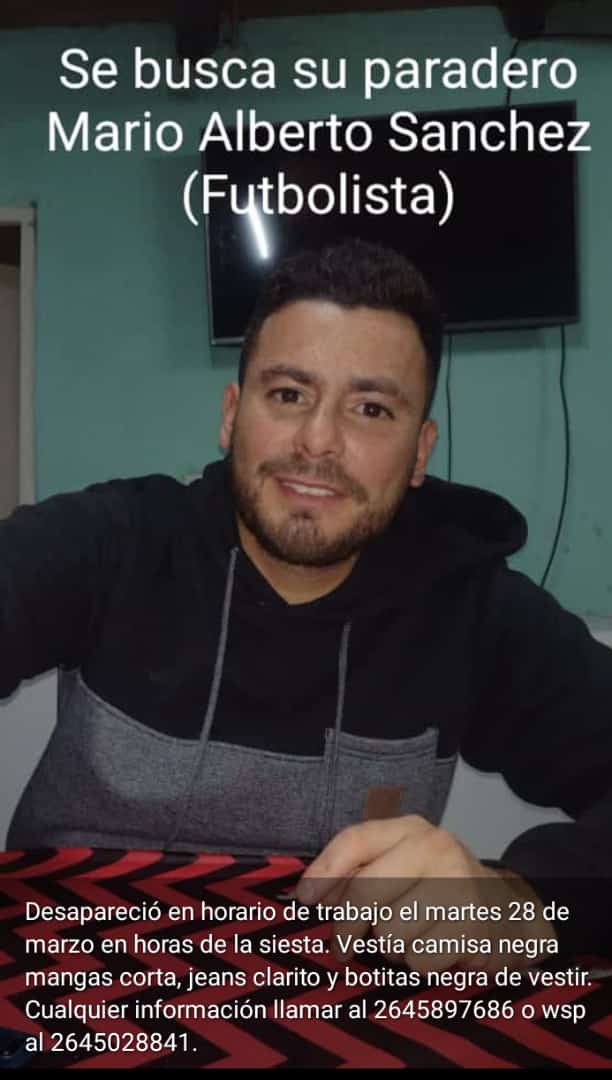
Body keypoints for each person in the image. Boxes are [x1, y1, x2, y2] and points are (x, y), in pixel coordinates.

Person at [1, 238, 611, 971]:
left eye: (371, 408)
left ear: (420, 452)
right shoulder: (112, 543)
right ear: (232, 415)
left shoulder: (474, 610)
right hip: (60, 971)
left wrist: (520, 903)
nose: (319, 442)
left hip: (335, 1001)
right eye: (289, 394)